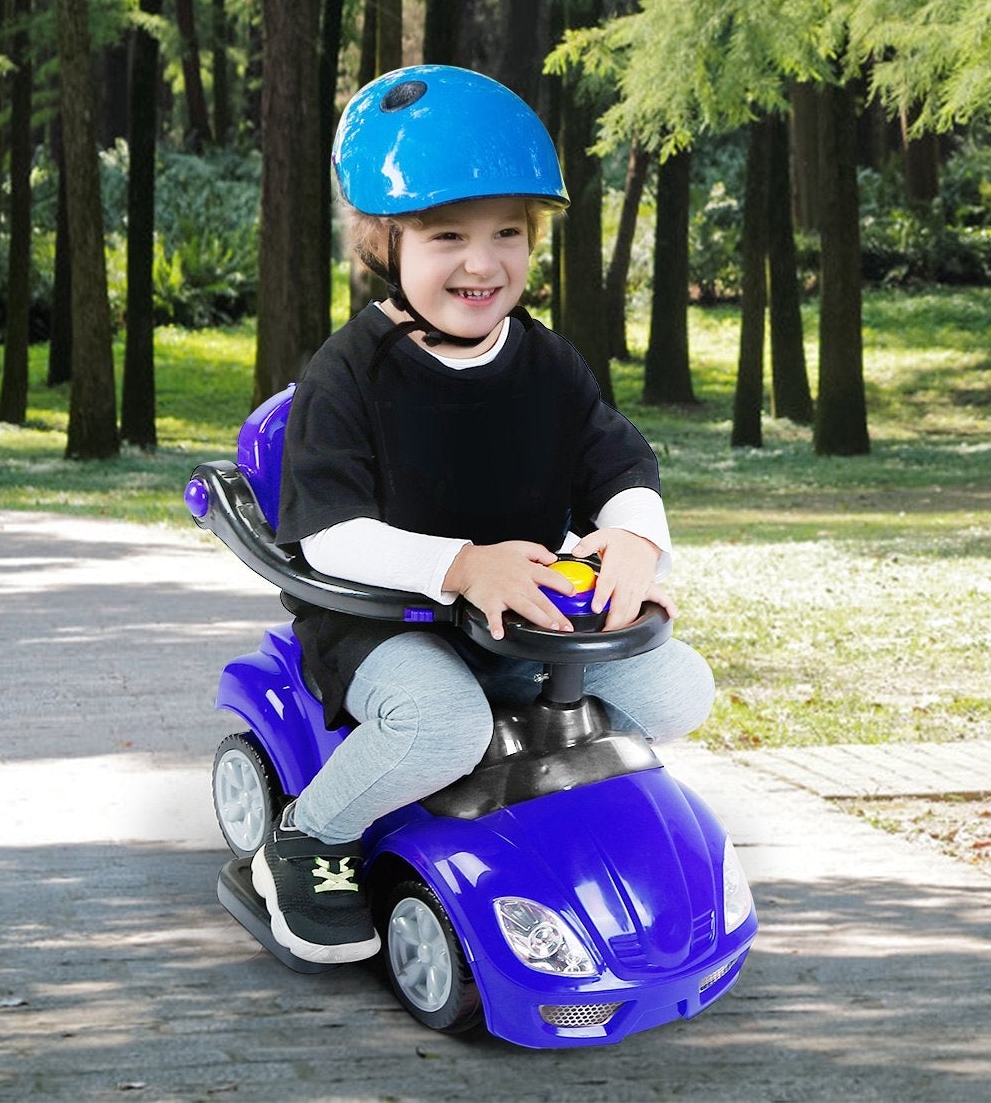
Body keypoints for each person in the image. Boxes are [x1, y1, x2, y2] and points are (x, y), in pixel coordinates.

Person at [252, 63, 716, 964]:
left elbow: (617, 459)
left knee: (676, 686)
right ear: (385, 241)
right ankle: (311, 835)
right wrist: (462, 565)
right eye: (446, 234)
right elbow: (328, 532)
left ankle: (542, 801)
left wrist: (630, 535)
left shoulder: (547, 363)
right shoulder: (348, 374)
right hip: (386, 622)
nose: (481, 260)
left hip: (522, 621)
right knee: (442, 725)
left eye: (508, 231)